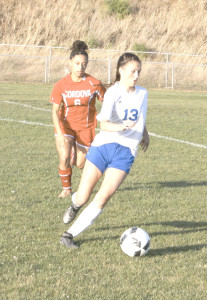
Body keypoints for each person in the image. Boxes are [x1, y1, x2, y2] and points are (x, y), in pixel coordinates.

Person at [60, 52, 150, 249]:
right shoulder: (113, 93)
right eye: (133, 71)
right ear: (121, 71)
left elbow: (140, 117)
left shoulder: (143, 93)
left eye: (139, 72)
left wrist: (145, 133)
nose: (136, 75)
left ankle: (69, 235)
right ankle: (75, 204)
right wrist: (122, 126)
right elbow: (105, 125)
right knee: (83, 196)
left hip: (126, 152)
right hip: (103, 146)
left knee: (102, 198)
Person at [49, 40, 106, 198]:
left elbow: (108, 101)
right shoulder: (61, 84)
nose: (80, 67)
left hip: (86, 128)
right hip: (66, 127)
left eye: (84, 64)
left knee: (80, 164)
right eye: (77, 63)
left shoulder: (94, 84)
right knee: (64, 157)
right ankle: (66, 189)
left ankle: (74, 149)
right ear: (70, 63)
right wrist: (60, 133)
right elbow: (55, 110)